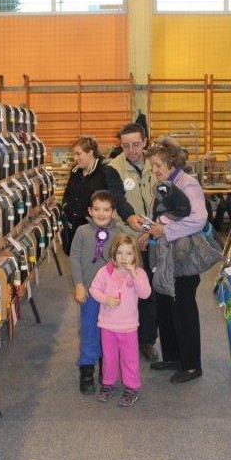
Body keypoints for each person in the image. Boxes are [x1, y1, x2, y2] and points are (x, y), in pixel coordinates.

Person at [143, 137, 208, 383]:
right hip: (163, 256)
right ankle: (172, 357)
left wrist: (165, 231)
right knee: (165, 307)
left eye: (158, 165)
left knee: (183, 309)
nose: (154, 169)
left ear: (171, 163)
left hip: (183, 258)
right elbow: (161, 216)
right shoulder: (165, 184)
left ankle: (191, 366)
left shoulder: (188, 183)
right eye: (152, 165)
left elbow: (199, 219)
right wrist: (148, 231)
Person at [104, 122, 159, 362]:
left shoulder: (156, 163)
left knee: (149, 292)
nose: (132, 150)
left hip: (155, 235)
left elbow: (162, 197)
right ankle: (123, 336)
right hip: (127, 238)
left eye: (136, 144)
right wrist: (131, 219)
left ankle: (147, 340)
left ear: (145, 141)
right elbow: (118, 198)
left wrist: (150, 231)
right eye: (125, 146)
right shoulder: (113, 168)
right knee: (125, 290)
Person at [89, 233, 151, 407]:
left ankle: (132, 387)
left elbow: (145, 293)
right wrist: (105, 299)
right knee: (109, 358)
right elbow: (94, 289)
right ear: (113, 254)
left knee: (129, 359)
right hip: (107, 325)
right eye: (120, 253)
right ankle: (108, 383)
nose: (124, 258)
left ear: (135, 255)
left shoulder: (138, 273)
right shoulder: (104, 272)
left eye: (129, 253)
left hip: (128, 327)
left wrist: (134, 274)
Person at [69, 190, 121, 395]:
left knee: (109, 333)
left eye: (106, 210)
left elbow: (125, 259)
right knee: (90, 331)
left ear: (113, 212)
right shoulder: (82, 231)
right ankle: (87, 372)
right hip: (89, 293)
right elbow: (74, 258)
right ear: (90, 211)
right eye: (97, 209)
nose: (101, 214)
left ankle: (106, 369)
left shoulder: (119, 233)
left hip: (111, 296)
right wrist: (79, 284)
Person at [60, 135, 108, 255]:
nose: (75, 158)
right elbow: (68, 192)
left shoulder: (104, 171)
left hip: (94, 229)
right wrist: (66, 207)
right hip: (73, 226)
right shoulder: (75, 171)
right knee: (75, 258)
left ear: (90, 152)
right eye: (74, 154)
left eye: (78, 154)